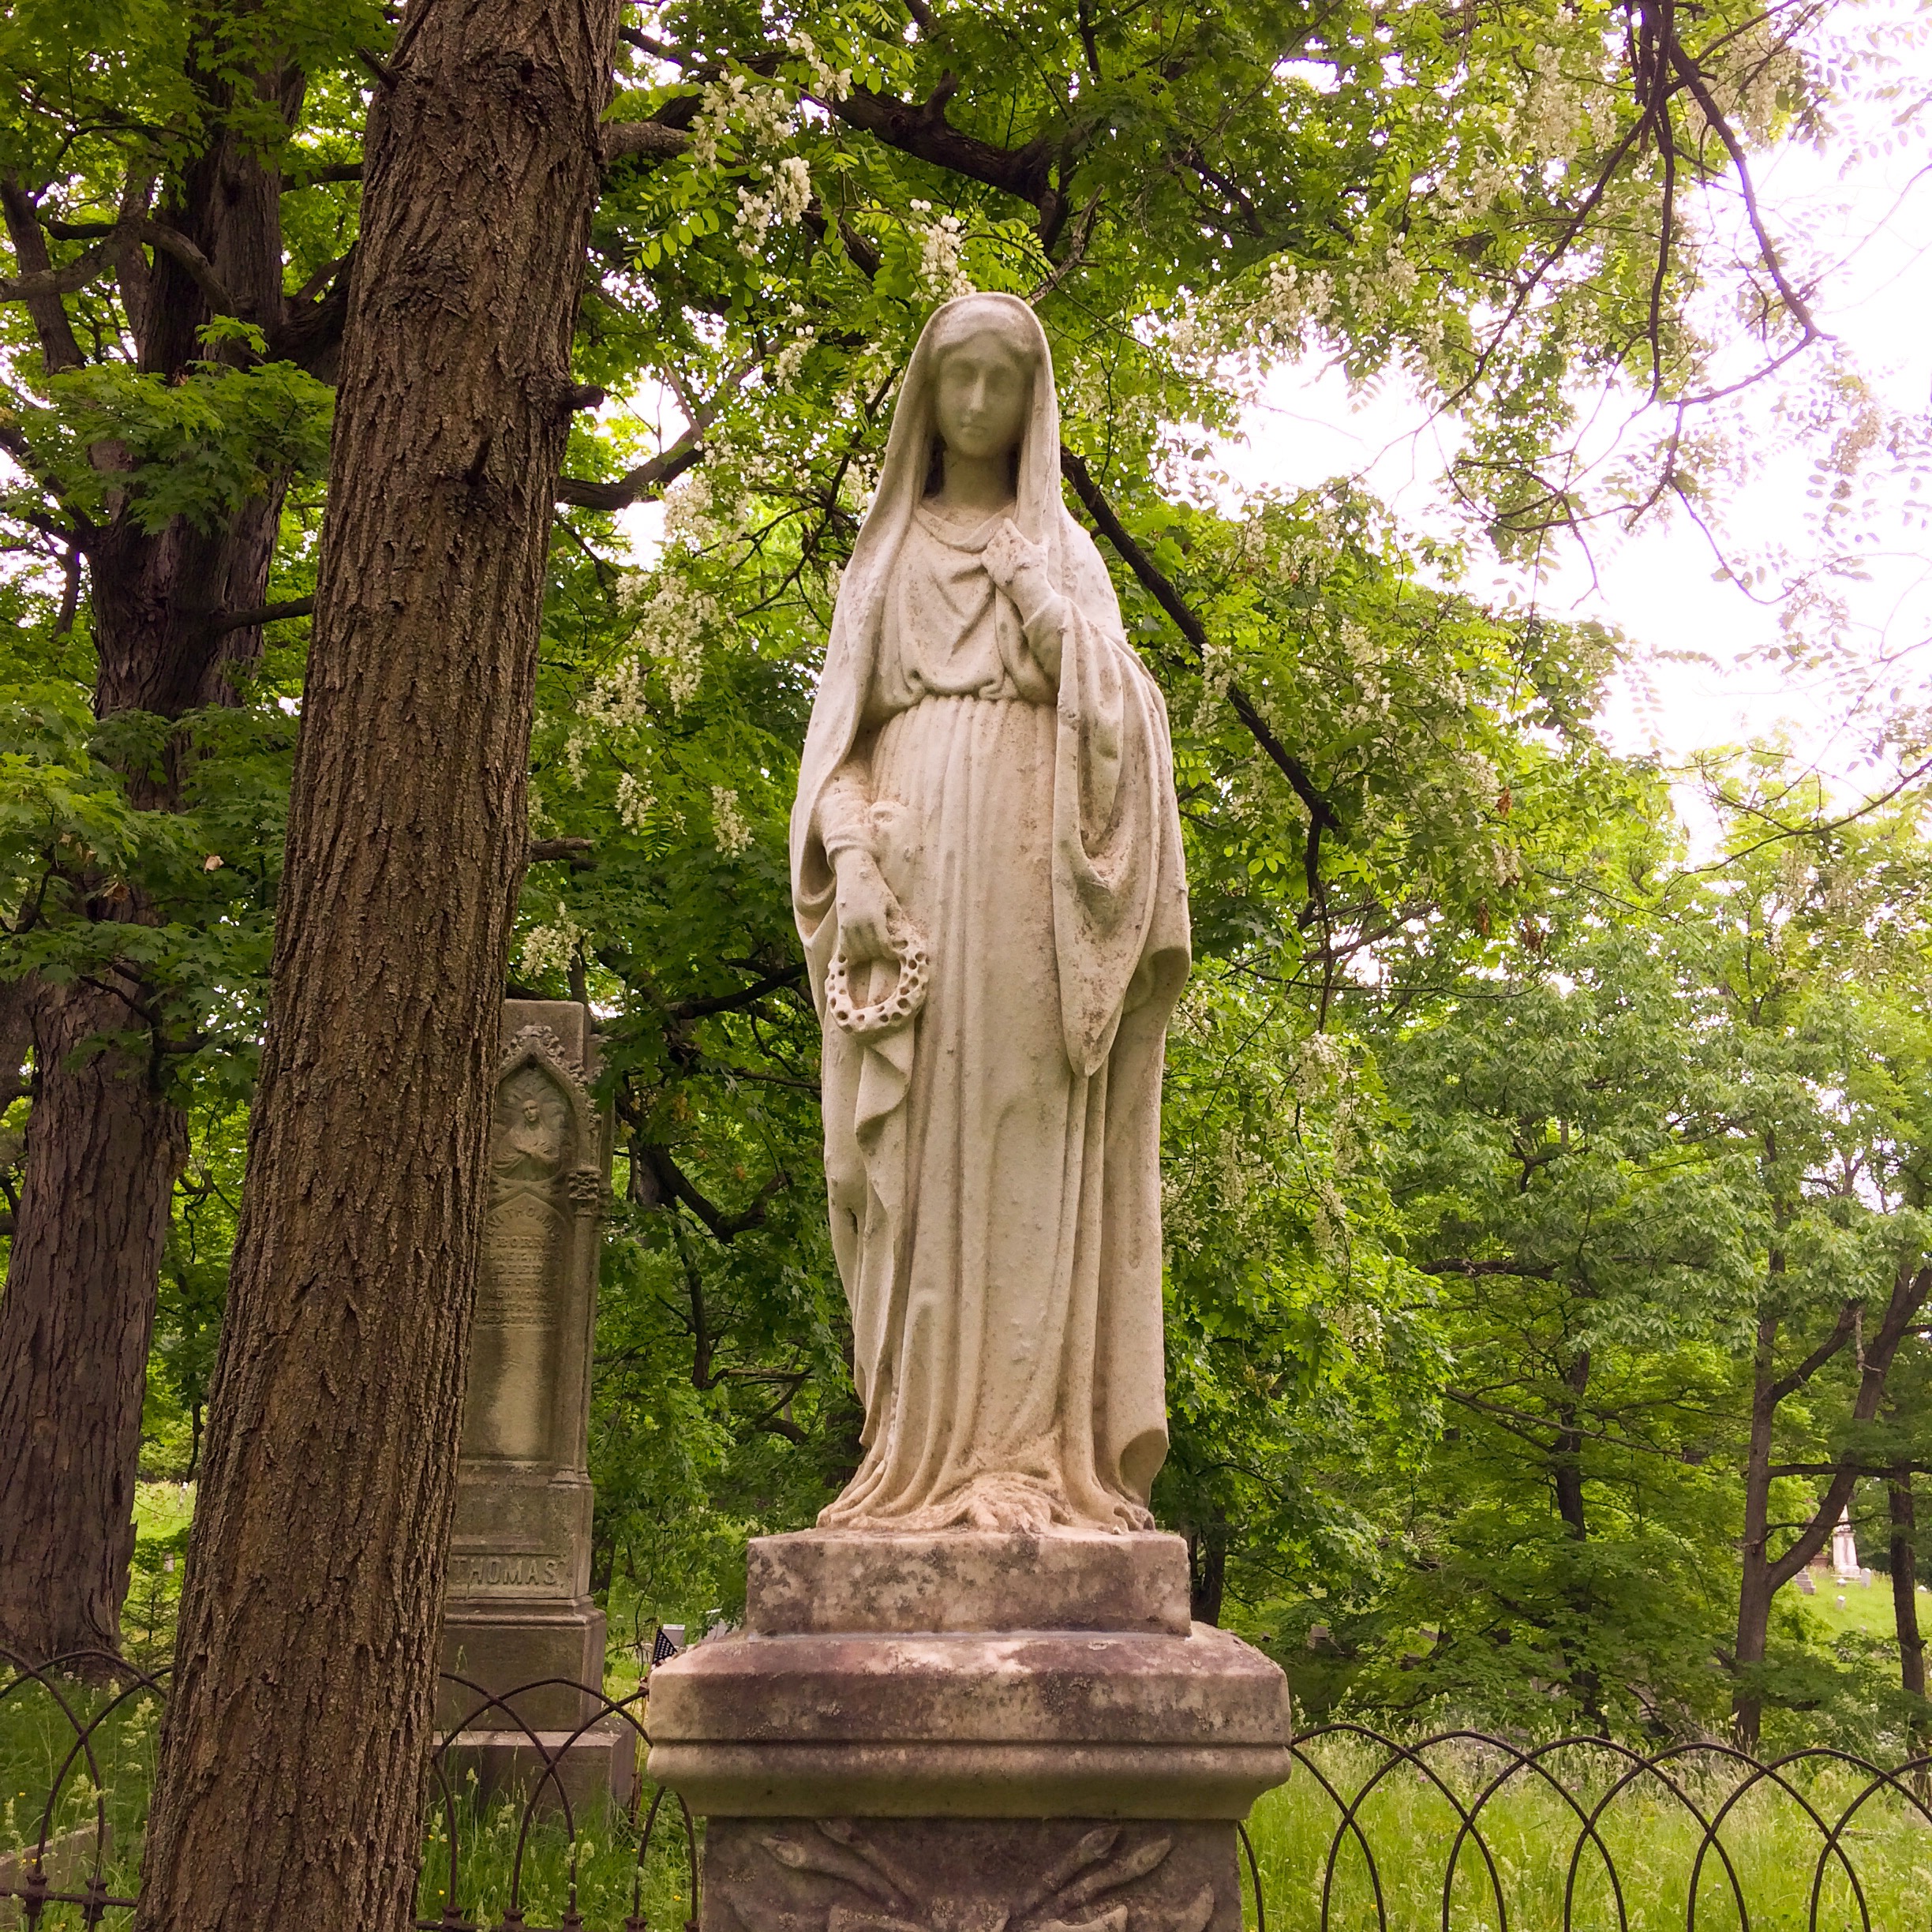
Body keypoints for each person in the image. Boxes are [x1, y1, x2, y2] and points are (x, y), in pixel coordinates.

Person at [790, 291, 1190, 1533]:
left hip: (1031, 879)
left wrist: (1044, 608)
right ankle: (914, 1457)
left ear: (1032, 402)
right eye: (956, 380)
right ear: (928, 394)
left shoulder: (1059, 554)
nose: (975, 406)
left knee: (1022, 1137)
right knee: (904, 1163)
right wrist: (849, 857)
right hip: (907, 868)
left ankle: (1024, 1455)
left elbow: (1126, 723)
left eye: (1000, 384)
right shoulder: (891, 555)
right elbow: (835, 749)